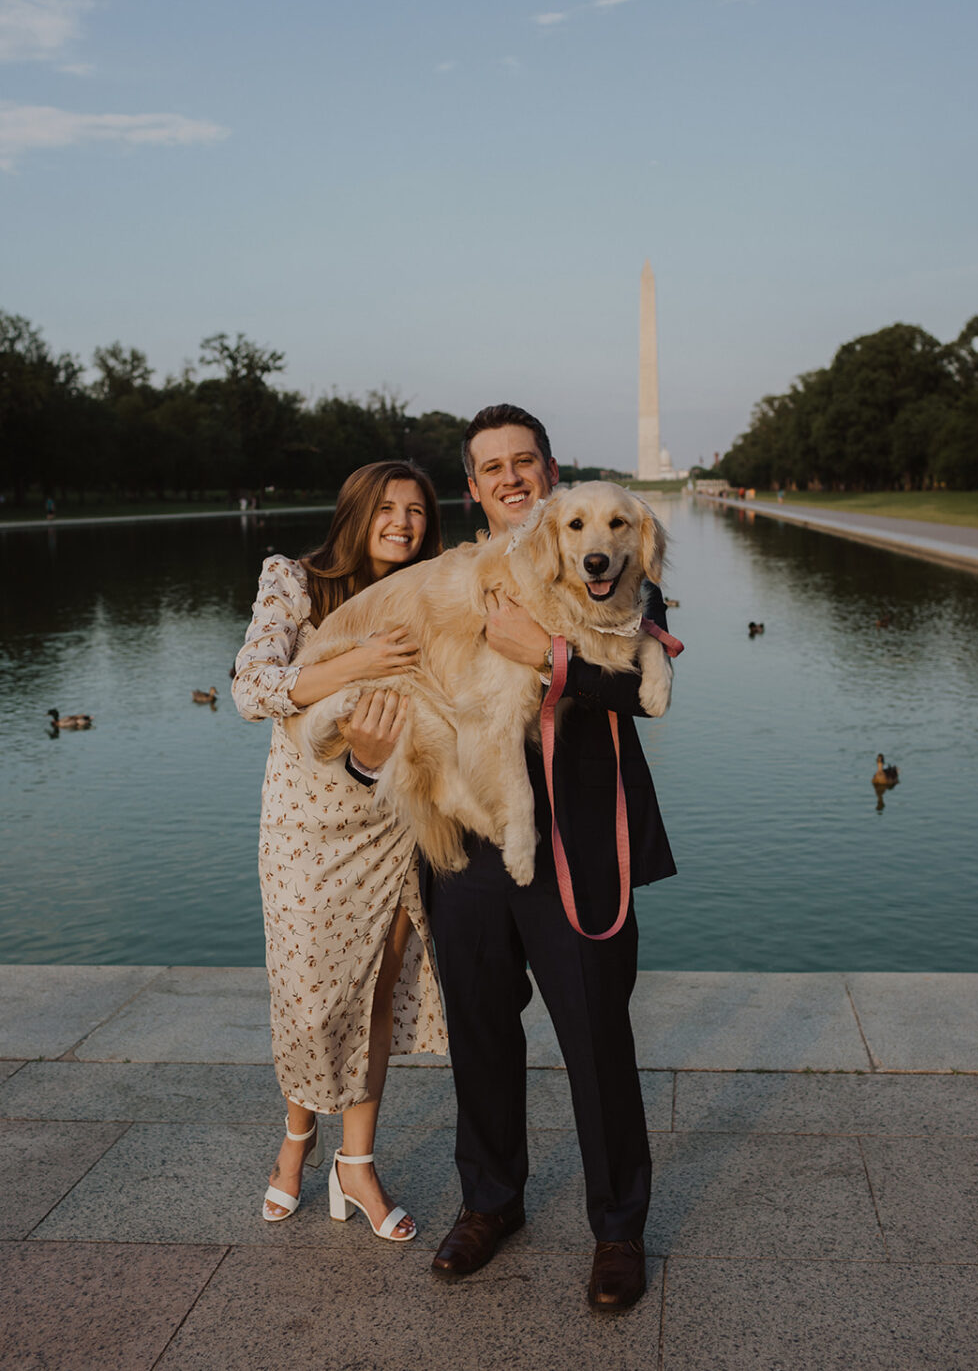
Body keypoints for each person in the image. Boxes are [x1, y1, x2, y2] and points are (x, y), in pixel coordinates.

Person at [427, 405, 677, 1310]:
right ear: (473, 487)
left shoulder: (604, 559)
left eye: (522, 460)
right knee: (479, 1028)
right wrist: (365, 753)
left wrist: (551, 656)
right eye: (490, 466)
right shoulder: (449, 579)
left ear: (549, 470)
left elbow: (639, 692)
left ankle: (617, 1229)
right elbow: (396, 687)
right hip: (466, 838)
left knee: (594, 1033)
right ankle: (491, 1204)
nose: (508, 477)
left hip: (579, 838)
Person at [232, 460, 448, 1240]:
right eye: (387, 508)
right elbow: (252, 690)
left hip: (390, 822)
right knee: (310, 998)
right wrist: (353, 663)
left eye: (418, 510)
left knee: (374, 991)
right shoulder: (294, 581)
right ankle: (297, 1141)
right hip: (303, 828)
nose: (403, 522)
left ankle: (355, 1162)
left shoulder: (430, 594)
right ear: (355, 512)